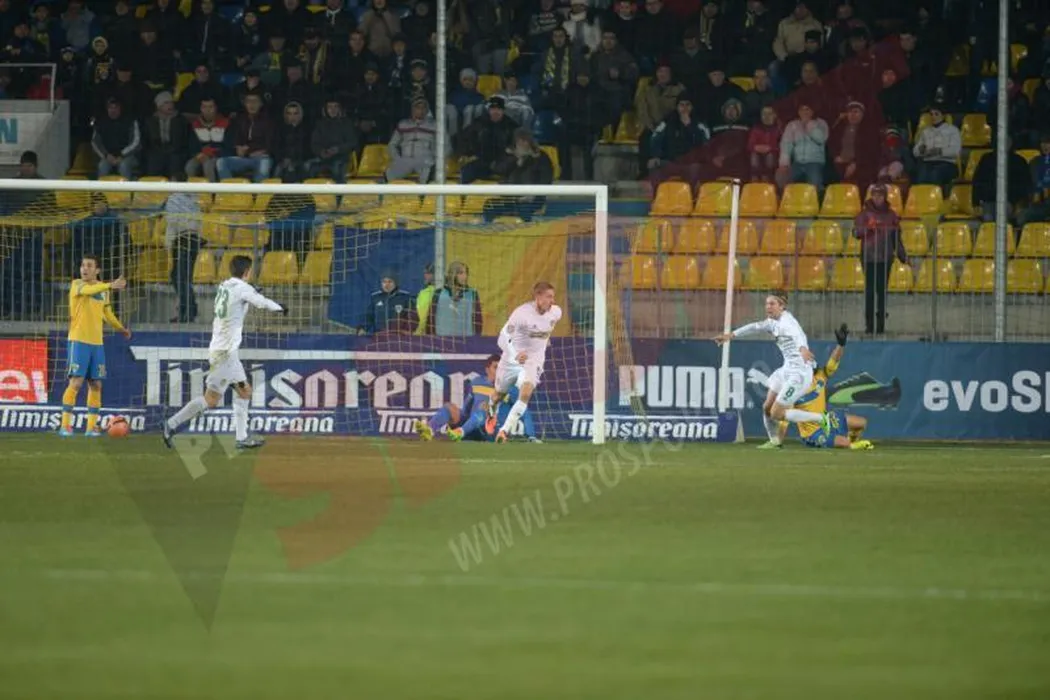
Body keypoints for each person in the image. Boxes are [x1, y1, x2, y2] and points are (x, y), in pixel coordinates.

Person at [163, 255, 288, 450]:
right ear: (247, 271)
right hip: (225, 354)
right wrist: (280, 308)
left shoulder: (224, 286)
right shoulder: (243, 288)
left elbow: (238, 302)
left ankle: (242, 438)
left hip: (227, 352)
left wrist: (251, 292)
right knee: (211, 400)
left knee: (244, 391)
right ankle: (171, 424)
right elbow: (261, 302)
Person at [713, 292, 829, 444]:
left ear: (782, 306)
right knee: (767, 407)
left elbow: (798, 335)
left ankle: (821, 418)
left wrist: (802, 349)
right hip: (786, 369)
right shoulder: (772, 322)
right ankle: (774, 442)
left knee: (776, 413)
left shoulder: (787, 322)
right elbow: (754, 327)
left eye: (772, 304)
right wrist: (730, 335)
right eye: (767, 303)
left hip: (799, 374)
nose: (768, 307)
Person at [768, 325, 874, 450]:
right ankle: (850, 445)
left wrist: (840, 345)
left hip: (827, 420)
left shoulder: (820, 376)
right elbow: (784, 418)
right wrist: (778, 442)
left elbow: (833, 361)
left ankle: (851, 442)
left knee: (861, 423)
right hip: (811, 433)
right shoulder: (795, 386)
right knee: (844, 443)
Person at [59, 255, 130, 438]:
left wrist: (121, 328)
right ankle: (65, 426)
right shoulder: (77, 285)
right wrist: (110, 285)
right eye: (83, 265)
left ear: (97, 270)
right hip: (78, 340)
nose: (85, 269)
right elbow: (90, 290)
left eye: (89, 266)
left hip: (97, 343)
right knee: (76, 382)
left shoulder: (103, 290)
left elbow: (107, 313)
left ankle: (90, 428)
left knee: (96, 384)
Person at [487, 281, 562, 443]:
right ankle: (491, 414)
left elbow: (543, 330)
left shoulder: (556, 313)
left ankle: (504, 431)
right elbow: (502, 339)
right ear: (538, 296)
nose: (552, 301)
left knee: (526, 392)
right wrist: (516, 354)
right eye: (549, 297)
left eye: (553, 297)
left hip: (533, 360)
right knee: (498, 395)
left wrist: (542, 343)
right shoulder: (521, 314)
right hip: (511, 359)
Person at [415, 355, 539, 443]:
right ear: (487, 369)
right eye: (496, 367)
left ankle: (460, 433)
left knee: (483, 409)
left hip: (491, 432)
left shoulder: (510, 388)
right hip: (471, 425)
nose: (499, 371)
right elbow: (466, 410)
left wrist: (531, 436)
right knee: (449, 407)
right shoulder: (476, 382)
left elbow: (523, 411)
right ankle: (429, 430)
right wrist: (454, 418)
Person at [853, 184, 907, 336]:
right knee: (870, 292)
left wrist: (903, 257)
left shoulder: (891, 215)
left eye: (880, 196)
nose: (877, 198)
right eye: (875, 195)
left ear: (885, 197)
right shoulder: (864, 214)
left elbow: (896, 239)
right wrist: (867, 228)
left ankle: (881, 326)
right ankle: (869, 326)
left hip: (885, 258)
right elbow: (855, 233)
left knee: (882, 292)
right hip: (869, 257)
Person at [164, 173, 203, 323]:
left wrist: (169, 242)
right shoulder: (193, 198)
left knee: (180, 277)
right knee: (183, 277)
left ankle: (189, 312)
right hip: (193, 240)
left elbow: (172, 222)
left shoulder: (174, 199)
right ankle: (186, 310)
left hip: (182, 240)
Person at [217, 93, 274, 181]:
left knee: (264, 164)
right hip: (243, 158)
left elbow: (271, 144)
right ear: (245, 104)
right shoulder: (238, 120)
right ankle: (229, 189)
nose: (252, 104)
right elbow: (232, 140)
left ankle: (257, 190)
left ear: (261, 104)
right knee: (221, 162)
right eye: (249, 101)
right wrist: (237, 148)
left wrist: (260, 151)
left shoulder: (268, 121)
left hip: (261, 158)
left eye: (255, 101)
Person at [776, 102, 828, 194]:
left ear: (812, 111)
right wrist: (784, 163)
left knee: (815, 183)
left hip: (814, 162)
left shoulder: (821, 123)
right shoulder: (792, 125)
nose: (804, 112)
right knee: (782, 176)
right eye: (802, 109)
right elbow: (786, 144)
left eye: (807, 109)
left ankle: (817, 200)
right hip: (798, 162)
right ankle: (786, 200)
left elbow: (821, 139)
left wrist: (810, 125)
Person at [385, 97, 440, 183]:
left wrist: (435, 159)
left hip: (425, 160)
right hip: (405, 159)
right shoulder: (403, 124)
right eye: (418, 107)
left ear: (427, 110)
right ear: (412, 109)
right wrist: (397, 158)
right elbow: (392, 145)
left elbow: (444, 146)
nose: (421, 110)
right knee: (389, 175)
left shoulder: (435, 125)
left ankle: (424, 189)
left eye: (423, 107)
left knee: (429, 175)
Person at [912, 105, 961, 193]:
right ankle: (922, 198)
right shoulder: (925, 131)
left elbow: (955, 151)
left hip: (947, 163)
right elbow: (915, 152)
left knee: (935, 173)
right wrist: (920, 150)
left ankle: (936, 198)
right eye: (931, 114)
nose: (933, 117)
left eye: (936, 114)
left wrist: (939, 151)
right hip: (928, 162)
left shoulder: (953, 130)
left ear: (943, 116)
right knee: (920, 173)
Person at [428, 261, 483, 337]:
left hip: (467, 340)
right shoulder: (439, 293)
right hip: (442, 341)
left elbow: (478, 321)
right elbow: (430, 320)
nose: (465, 276)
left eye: (466, 273)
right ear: (453, 274)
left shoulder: (472, 294)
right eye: (461, 273)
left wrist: (476, 339)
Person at [92, 98, 140, 179]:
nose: (113, 110)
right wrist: (106, 155)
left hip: (127, 156)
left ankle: (126, 187)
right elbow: (95, 142)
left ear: (120, 109)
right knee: (102, 166)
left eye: (116, 107)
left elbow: (136, 142)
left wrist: (121, 155)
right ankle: (102, 188)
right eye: (110, 107)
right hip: (108, 156)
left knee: (124, 166)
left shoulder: (131, 121)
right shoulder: (100, 122)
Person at [414, 263, 435, 335]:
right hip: (422, 334)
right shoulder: (422, 293)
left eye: (429, 273)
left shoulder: (442, 293)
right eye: (425, 273)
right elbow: (421, 317)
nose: (425, 276)